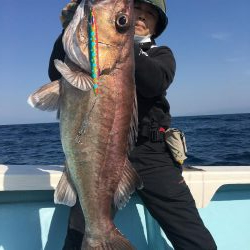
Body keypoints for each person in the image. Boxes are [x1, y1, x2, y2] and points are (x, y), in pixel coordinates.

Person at [49, 0, 217, 249]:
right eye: (137, 10)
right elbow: (55, 74)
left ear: (156, 26)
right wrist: (71, 28)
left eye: (151, 14)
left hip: (152, 153)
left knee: (191, 233)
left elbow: (155, 82)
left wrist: (120, 40)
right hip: (100, 152)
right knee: (78, 233)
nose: (141, 17)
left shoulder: (162, 54)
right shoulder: (91, 50)